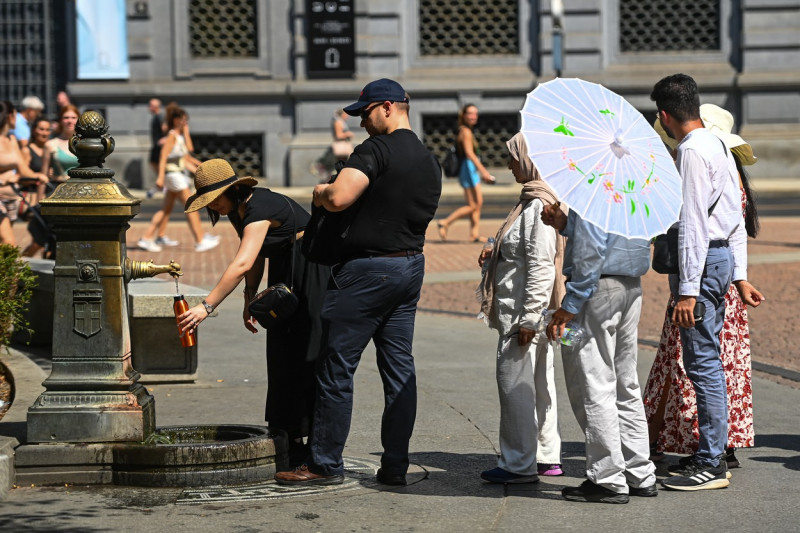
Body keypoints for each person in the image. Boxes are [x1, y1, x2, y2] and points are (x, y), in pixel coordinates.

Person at [274, 78, 442, 487]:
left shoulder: (375, 150)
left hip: (366, 273)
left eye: (364, 112)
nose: (360, 122)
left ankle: (324, 464)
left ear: (387, 107)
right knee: (399, 370)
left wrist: (319, 193)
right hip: (409, 267)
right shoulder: (429, 159)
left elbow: (339, 199)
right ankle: (395, 466)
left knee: (336, 368)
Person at [650, 74, 764, 491]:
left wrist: (688, 290)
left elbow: (694, 225)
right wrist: (739, 275)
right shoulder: (717, 146)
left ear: (664, 115)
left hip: (701, 262)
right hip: (719, 260)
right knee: (707, 362)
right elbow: (734, 219)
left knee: (703, 365)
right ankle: (708, 453)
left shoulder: (692, 152)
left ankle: (712, 461)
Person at [179, 158, 329, 466]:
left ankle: (317, 446)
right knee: (280, 351)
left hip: (310, 267)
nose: (214, 206)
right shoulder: (238, 210)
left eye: (215, 199)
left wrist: (207, 307)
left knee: (307, 352)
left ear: (233, 189)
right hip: (284, 271)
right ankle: (289, 435)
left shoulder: (261, 207)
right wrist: (250, 297)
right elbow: (257, 254)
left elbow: (243, 261)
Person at [542, 202, 656, 504]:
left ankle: (607, 477)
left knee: (596, 382)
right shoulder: (633, 180)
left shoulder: (592, 186)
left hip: (599, 287)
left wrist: (571, 302)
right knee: (624, 382)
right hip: (630, 283)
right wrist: (567, 225)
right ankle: (639, 471)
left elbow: (591, 247)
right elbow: (615, 236)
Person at [477, 132, 565, 484]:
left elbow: (542, 265)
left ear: (531, 158)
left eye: (514, 157)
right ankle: (544, 455)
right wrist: (495, 253)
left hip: (525, 315)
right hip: (537, 313)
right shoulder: (534, 201)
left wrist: (528, 319)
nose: (510, 164)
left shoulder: (536, 206)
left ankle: (517, 463)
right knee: (541, 384)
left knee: (514, 384)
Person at [137, 106, 219, 253]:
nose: (185, 122)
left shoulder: (178, 136)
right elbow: (163, 156)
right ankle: (200, 240)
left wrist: (201, 167)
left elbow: (188, 154)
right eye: (183, 120)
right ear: (175, 120)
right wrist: (160, 177)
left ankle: (147, 237)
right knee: (191, 207)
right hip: (174, 176)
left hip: (176, 176)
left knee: (165, 210)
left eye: (186, 120)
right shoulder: (172, 136)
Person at [436, 103, 496, 243]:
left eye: (475, 113)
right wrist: (484, 172)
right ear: (464, 115)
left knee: (476, 204)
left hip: (468, 168)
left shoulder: (466, 130)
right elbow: (470, 154)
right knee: (475, 204)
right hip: (468, 168)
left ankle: (474, 234)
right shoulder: (466, 132)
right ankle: (445, 222)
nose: (473, 116)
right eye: (470, 113)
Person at [1, 101, 49, 245]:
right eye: (16, 115)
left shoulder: (11, 140)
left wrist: (37, 176)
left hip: (12, 198)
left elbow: (23, 168)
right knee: (9, 242)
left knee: (5, 246)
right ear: (9, 116)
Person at [44, 105, 80, 184]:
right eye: (66, 118)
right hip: (59, 189)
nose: (70, 121)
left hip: (83, 190)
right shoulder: (50, 144)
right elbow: (44, 177)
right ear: (60, 120)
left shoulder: (86, 143)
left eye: (73, 118)